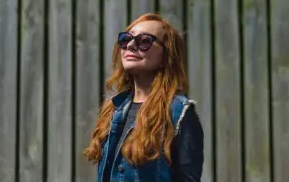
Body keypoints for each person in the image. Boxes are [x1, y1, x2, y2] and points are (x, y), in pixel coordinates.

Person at [84, 13, 204, 182]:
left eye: (144, 41)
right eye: (126, 39)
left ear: (166, 56)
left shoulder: (179, 114)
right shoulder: (113, 108)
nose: (131, 45)